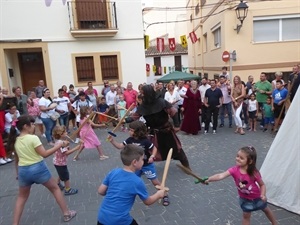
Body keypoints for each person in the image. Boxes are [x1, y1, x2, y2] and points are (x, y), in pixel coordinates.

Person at [8, 116, 76, 224]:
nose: (34, 125)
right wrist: (60, 145)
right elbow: (44, 154)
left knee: (21, 197)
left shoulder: (16, 140)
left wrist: (18, 174)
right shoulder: (33, 138)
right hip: (37, 168)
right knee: (55, 189)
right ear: (26, 126)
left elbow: (17, 159)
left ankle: (15, 223)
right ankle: (66, 213)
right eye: (32, 124)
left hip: (23, 170)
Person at [205, 146, 278, 225]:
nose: (238, 158)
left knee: (266, 210)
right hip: (245, 200)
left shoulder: (254, 172)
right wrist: (209, 179)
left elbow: (262, 185)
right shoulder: (234, 170)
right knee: (246, 216)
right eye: (237, 156)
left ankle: (275, 223)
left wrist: (263, 194)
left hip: (258, 198)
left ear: (249, 161)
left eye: (241, 158)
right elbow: (220, 175)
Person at [97, 144, 165, 225]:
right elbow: (148, 201)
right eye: (142, 160)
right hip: (119, 220)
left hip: (102, 217)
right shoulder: (137, 181)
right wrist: (159, 194)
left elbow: (101, 191)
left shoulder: (113, 172)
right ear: (135, 162)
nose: (144, 162)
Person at [108, 120, 170, 206]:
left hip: (146, 165)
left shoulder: (145, 141)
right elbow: (120, 146)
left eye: (131, 130)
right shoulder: (129, 140)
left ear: (138, 131)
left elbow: (154, 148)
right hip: (134, 166)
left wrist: (152, 156)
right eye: (129, 129)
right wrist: (112, 141)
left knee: (155, 182)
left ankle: (164, 195)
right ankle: (127, 195)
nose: (129, 131)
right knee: (131, 179)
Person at [128, 85, 190, 169]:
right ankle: (145, 169)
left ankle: (186, 167)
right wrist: (126, 120)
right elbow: (135, 116)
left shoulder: (161, 102)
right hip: (153, 133)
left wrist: (177, 126)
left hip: (166, 131)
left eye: (143, 93)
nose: (141, 95)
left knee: (176, 149)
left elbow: (174, 112)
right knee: (149, 151)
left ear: (148, 93)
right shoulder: (143, 106)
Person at [52, 125, 83, 195]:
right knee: (66, 176)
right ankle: (67, 189)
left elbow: (63, 151)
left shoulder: (59, 141)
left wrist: (67, 146)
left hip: (57, 162)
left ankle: (57, 183)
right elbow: (66, 153)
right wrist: (76, 148)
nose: (66, 133)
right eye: (65, 132)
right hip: (60, 163)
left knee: (61, 173)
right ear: (61, 134)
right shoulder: (61, 143)